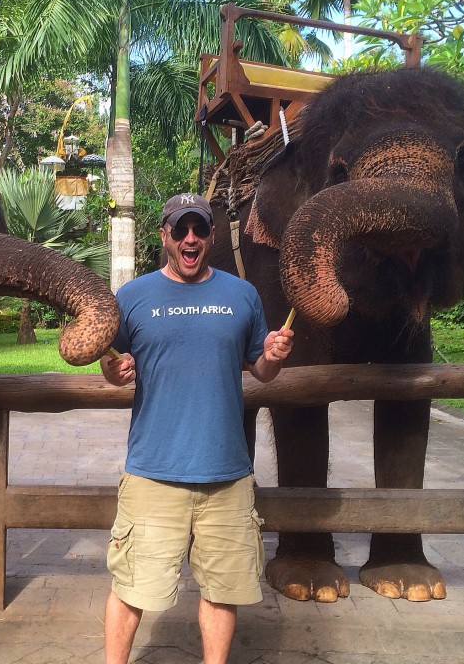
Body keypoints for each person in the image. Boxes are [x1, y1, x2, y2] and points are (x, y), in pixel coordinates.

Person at [100, 192, 294, 664]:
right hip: (153, 472)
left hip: (227, 474)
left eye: (200, 229)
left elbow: (260, 371)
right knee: (131, 587)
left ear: (210, 237)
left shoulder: (241, 294)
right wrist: (113, 370)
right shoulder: (133, 296)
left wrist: (270, 357)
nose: (191, 238)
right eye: (180, 229)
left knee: (222, 589)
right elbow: (110, 360)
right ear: (163, 235)